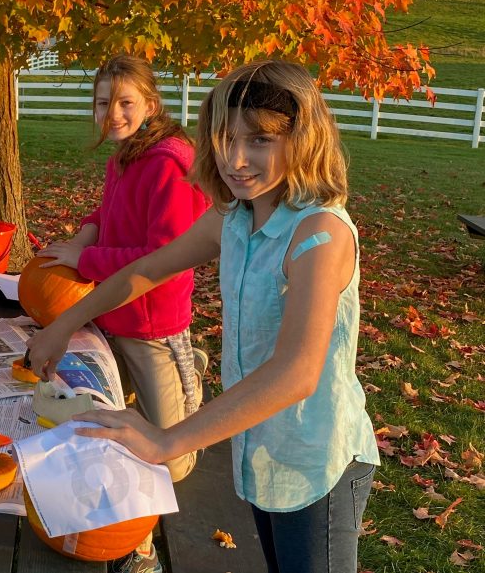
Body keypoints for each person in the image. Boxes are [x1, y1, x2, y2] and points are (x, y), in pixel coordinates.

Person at [27, 60, 380, 573]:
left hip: (316, 460)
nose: (236, 159)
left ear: (302, 139)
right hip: (256, 445)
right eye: (224, 138)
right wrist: (64, 323)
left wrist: (168, 440)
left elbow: (298, 372)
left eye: (259, 140)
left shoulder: (318, 234)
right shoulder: (232, 216)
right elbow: (144, 271)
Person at [35, 54, 208, 572]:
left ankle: (187, 370)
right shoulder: (126, 158)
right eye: (103, 102)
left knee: (174, 461)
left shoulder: (169, 166)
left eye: (125, 102)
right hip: (115, 320)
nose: (112, 113)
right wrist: (83, 237)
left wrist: (86, 260)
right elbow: (107, 215)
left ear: (150, 104)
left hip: (155, 325)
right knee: (123, 425)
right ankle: (132, 541)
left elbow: (162, 260)